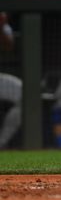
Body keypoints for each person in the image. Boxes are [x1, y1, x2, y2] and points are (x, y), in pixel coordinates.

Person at [0, 11, 20, 149]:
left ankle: (1, 143)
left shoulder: (3, 24)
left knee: (26, 94)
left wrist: (1, 26)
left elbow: (9, 47)